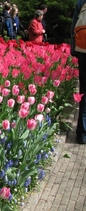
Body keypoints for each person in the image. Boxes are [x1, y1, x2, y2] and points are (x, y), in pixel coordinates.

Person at [71, 0, 86, 144]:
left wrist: (74, 50)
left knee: (83, 92)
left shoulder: (81, 2)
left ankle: (82, 133)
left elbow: (74, 27)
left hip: (84, 52)